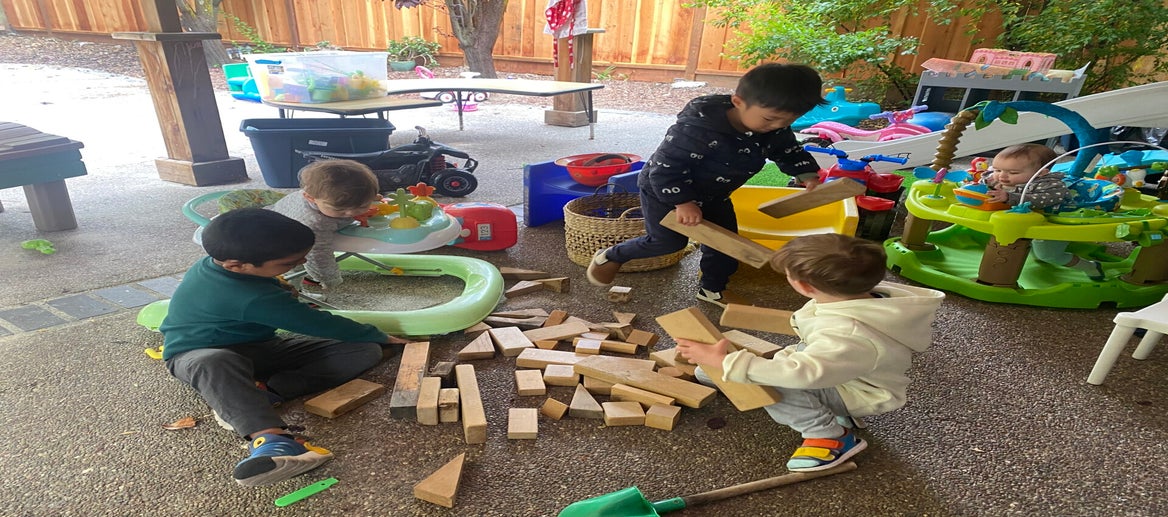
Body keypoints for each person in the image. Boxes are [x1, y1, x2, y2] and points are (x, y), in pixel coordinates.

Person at [160, 208, 405, 487]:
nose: (302, 262)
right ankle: (271, 441)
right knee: (214, 362)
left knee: (363, 350)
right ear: (237, 265)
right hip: (193, 354)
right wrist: (381, 335)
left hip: (259, 347)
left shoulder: (225, 265)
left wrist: (370, 340)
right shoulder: (248, 296)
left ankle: (259, 394)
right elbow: (315, 323)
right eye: (289, 262)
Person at [676, 233, 945, 472]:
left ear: (804, 286)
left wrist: (723, 361)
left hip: (855, 389)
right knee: (711, 372)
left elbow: (801, 374)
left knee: (771, 382)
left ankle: (830, 436)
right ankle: (827, 408)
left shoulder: (848, 333)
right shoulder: (861, 297)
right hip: (844, 371)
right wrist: (723, 364)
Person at [586, 63, 827, 307]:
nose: (777, 126)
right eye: (770, 119)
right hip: (666, 190)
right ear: (738, 102)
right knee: (668, 243)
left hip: (715, 194)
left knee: (726, 245)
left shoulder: (775, 129)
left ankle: (712, 290)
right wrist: (683, 202)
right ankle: (611, 256)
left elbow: (788, 150)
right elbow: (666, 168)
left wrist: (806, 174)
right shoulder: (696, 128)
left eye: (788, 121)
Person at [983, 143, 1105, 280]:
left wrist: (1009, 197)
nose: (1002, 176)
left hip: (1054, 223)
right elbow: (989, 182)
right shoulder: (1005, 180)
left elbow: (1041, 200)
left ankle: (1091, 267)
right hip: (1030, 221)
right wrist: (982, 182)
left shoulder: (1052, 185)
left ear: (1041, 173)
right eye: (998, 170)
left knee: (1048, 256)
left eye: (1013, 173)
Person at [271, 159, 382, 291]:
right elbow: (317, 256)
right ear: (311, 198)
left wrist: (369, 198)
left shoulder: (325, 196)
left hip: (276, 214)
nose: (351, 213)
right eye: (340, 210)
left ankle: (305, 281)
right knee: (292, 268)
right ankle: (291, 296)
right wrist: (329, 278)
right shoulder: (314, 223)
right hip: (278, 243)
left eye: (362, 206)